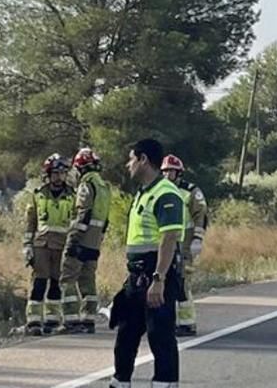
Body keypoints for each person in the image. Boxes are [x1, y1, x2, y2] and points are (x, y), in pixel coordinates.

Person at [109, 138, 187, 388]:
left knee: (160, 336)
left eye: (132, 158)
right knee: (126, 334)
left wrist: (159, 279)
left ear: (143, 160)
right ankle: (120, 382)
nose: (128, 164)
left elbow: (169, 237)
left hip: (156, 273)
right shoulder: (144, 193)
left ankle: (164, 384)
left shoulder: (166, 193)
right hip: (137, 276)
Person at [24, 154, 75, 335]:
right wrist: (27, 246)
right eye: (56, 173)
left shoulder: (72, 195)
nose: (59, 177)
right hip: (41, 244)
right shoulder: (38, 195)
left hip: (62, 245)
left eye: (62, 173)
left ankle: (52, 321)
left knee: (56, 283)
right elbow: (31, 222)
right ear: (48, 174)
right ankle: (34, 322)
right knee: (39, 282)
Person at [64, 146, 112, 334]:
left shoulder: (86, 184)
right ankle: (88, 320)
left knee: (68, 278)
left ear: (81, 168)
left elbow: (83, 213)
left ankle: (71, 320)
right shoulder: (104, 186)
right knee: (88, 280)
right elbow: (105, 218)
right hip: (95, 240)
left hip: (82, 239)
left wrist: (74, 239)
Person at [161, 155, 208, 337]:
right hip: (167, 244)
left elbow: (201, 216)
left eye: (170, 171)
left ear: (178, 172)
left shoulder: (190, 191)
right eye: (164, 171)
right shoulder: (161, 191)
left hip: (185, 245)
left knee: (182, 283)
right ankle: (172, 321)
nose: (166, 175)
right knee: (167, 282)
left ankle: (187, 323)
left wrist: (197, 238)